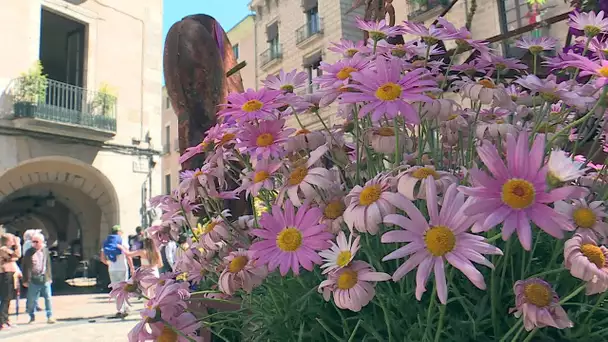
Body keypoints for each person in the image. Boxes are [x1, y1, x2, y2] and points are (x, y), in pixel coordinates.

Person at [21, 232, 55, 324]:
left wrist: (49, 277)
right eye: (33, 242)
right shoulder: (29, 252)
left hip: (44, 277)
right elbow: (25, 266)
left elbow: (48, 264)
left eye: (36, 242)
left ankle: (50, 316)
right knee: (32, 299)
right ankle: (32, 316)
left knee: (48, 297)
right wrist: (25, 279)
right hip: (33, 279)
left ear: (41, 242)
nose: (34, 244)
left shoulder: (45, 251)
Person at [100, 225, 132, 319]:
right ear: (119, 232)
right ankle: (126, 308)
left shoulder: (106, 242)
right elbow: (128, 255)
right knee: (125, 288)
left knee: (116, 290)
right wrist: (132, 267)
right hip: (123, 268)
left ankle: (119, 310)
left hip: (112, 269)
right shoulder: (123, 241)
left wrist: (108, 263)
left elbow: (102, 258)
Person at [0, 231, 21, 330]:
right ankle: (2, 322)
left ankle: (6, 319)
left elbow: (16, 257)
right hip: (5, 274)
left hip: (10, 274)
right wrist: (17, 245)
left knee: (8, 298)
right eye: (12, 240)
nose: (13, 242)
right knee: (5, 298)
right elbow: (16, 256)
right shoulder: (3, 249)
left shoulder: (7, 249)